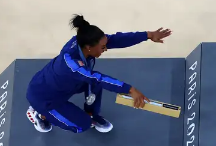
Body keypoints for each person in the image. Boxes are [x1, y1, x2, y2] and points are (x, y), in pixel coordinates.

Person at [25, 14, 172, 134]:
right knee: (81, 126)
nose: (105, 49)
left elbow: (116, 39)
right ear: (89, 48)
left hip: (65, 85)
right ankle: (40, 114)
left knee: (93, 88)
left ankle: (92, 115)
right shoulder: (71, 64)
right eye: (102, 47)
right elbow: (98, 78)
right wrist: (131, 90)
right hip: (45, 98)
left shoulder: (84, 41)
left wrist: (148, 35)